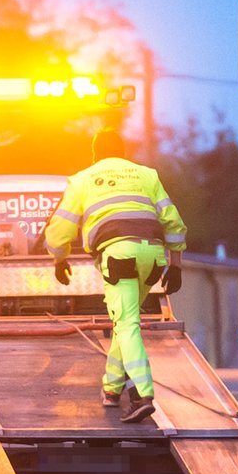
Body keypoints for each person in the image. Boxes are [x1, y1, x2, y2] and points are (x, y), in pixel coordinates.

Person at [46, 128, 187, 423]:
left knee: (127, 323)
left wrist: (60, 259)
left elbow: (60, 230)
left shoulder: (84, 179)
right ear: (124, 154)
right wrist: (175, 265)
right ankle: (111, 389)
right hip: (152, 256)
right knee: (125, 321)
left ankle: (141, 394)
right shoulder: (146, 175)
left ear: (95, 153)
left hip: (118, 254)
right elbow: (173, 222)